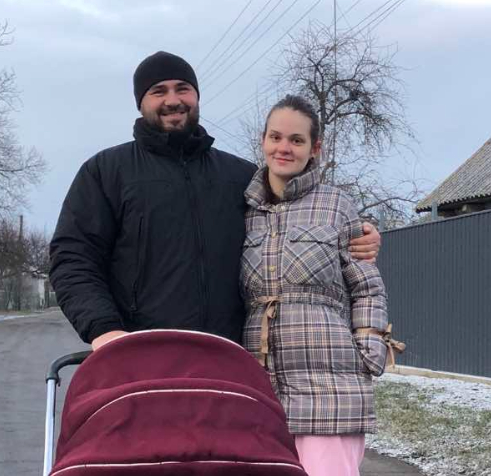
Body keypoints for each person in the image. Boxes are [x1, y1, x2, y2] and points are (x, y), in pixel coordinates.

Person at [49, 51, 381, 350]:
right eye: (158, 91)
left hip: (230, 358)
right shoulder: (107, 172)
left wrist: (357, 231)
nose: (172, 99)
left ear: (196, 96)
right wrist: (104, 329)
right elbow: (73, 258)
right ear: (141, 102)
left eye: (183, 88)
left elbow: (296, 217)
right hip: (142, 356)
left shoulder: (241, 176)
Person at [241, 94, 398, 476]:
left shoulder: (336, 206)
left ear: (316, 148)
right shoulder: (244, 210)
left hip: (330, 388)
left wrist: (365, 352)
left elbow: (367, 288)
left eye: (296, 139)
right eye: (275, 137)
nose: (283, 147)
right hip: (263, 392)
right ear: (263, 141)